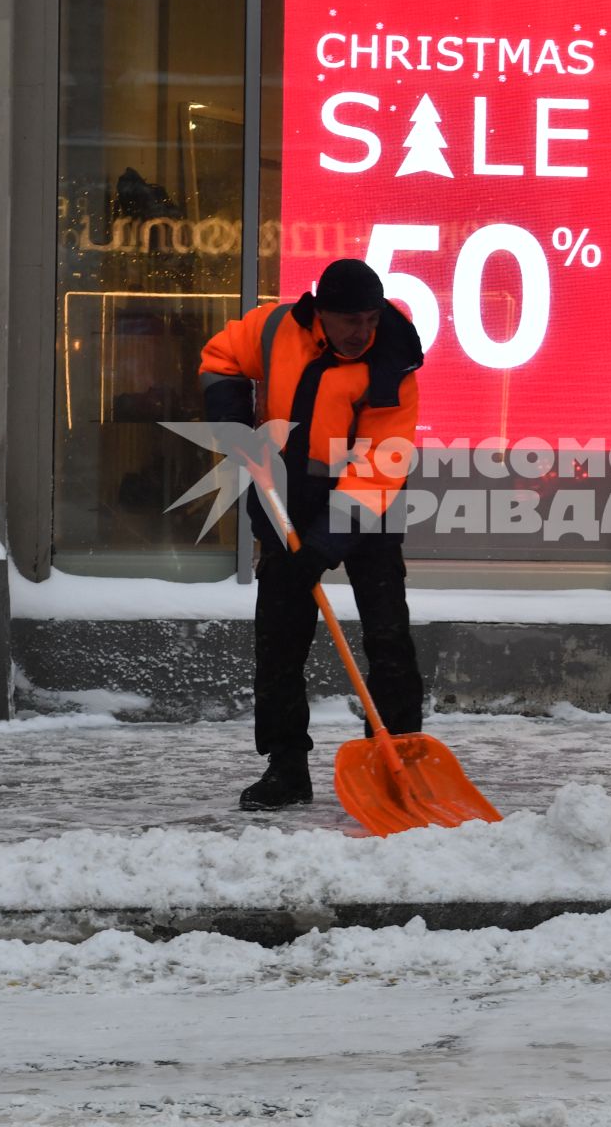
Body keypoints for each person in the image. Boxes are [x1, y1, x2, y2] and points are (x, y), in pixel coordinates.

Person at [197, 258, 426, 811]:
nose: (362, 332)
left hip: (367, 504)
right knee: (279, 641)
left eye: (371, 319)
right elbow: (221, 355)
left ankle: (397, 761)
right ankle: (286, 767)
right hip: (286, 497)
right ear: (320, 313)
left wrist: (327, 542)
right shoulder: (276, 328)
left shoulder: (393, 358)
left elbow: (381, 462)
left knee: (387, 634)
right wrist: (232, 417)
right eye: (351, 321)